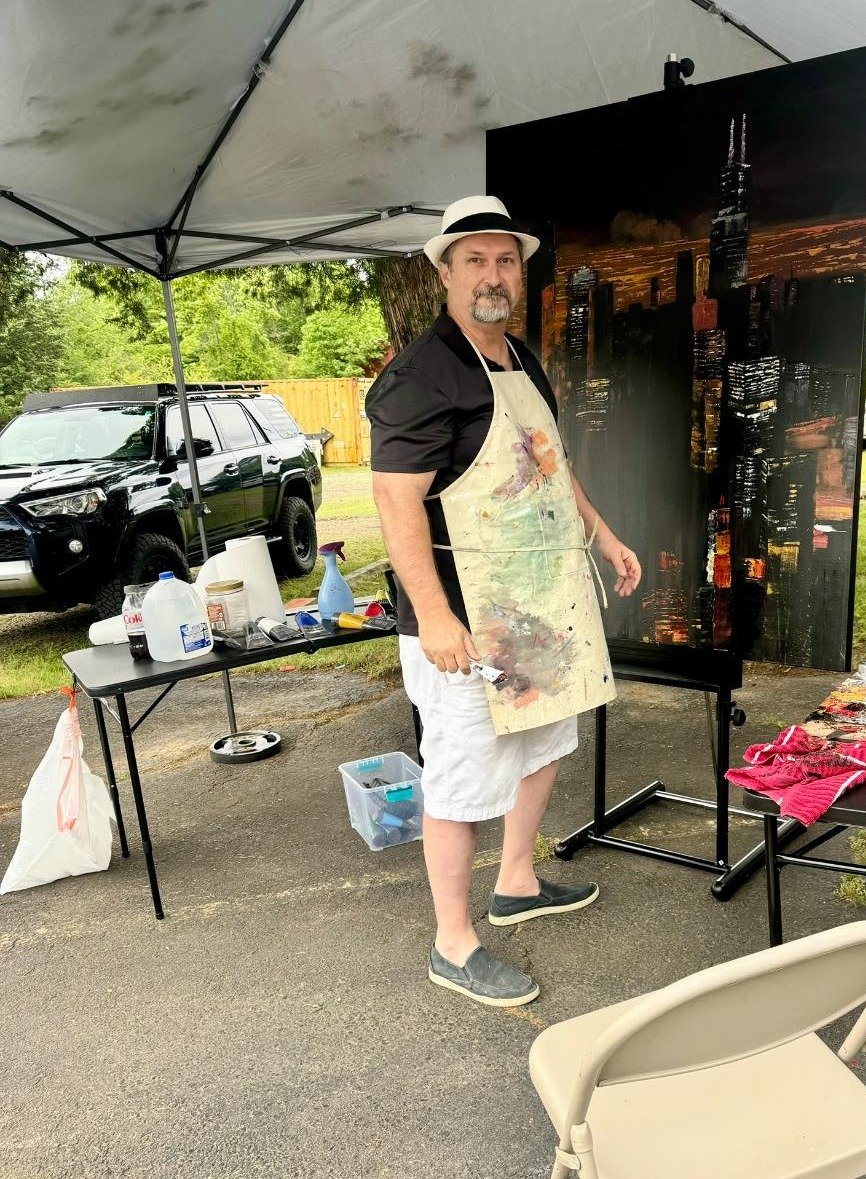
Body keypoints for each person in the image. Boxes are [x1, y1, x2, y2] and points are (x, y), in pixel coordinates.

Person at [367, 196, 641, 1007]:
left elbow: (547, 463)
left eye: (505, 260)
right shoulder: (418, 379)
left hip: (541, 599)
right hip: (466, 617)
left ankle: (516, 879)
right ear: (444, 272)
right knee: (460, 775)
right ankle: (453, 943)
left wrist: (601, 531)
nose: (493, 274)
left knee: (546, 742)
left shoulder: (518, 355)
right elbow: (394, 503)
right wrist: (436, 615)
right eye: (475, 260)